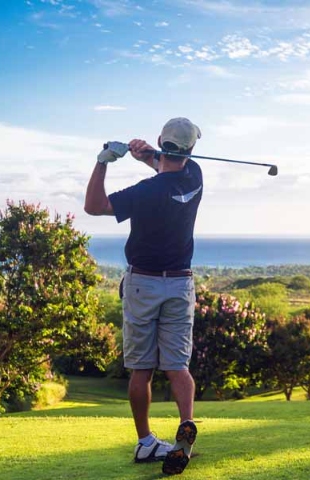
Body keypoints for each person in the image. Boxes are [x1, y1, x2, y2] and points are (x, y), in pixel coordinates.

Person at [84, 117, 203, 475]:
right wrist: (146, 156)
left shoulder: (144, 193)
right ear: (191, 150)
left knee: (141, 368)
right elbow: (167, 165)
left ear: (161, 142)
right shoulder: (195, 176)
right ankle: (185, 426)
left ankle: (146, 443)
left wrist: (103, 160)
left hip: (143, 284)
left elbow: (94, 206)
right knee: (177, 366)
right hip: (180, 284)